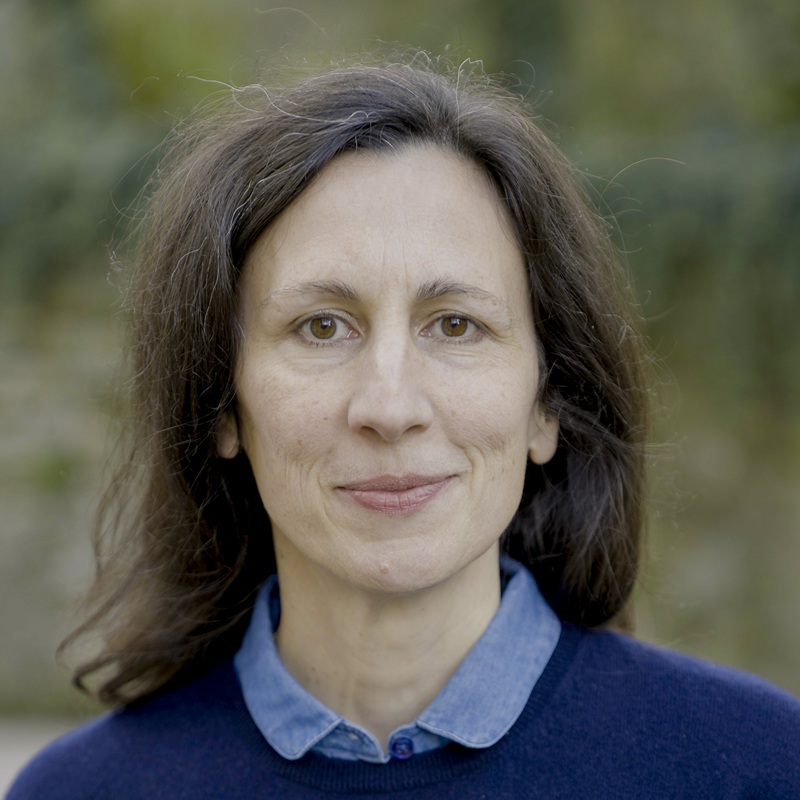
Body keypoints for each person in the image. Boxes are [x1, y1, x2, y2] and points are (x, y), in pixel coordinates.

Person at [8, 56, 800, 800]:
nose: (389, 408)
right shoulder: (80, 793)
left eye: (455, 325)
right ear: (221, 403)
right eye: (322, 327)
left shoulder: (758, 771)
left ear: (547, 404)